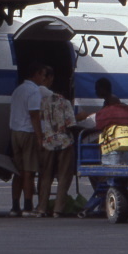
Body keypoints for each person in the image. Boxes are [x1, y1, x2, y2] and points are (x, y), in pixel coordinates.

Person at [8, 63, 51, 216]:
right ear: (36, 75)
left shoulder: (17, 90)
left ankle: (15, 206)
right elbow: (34, 116)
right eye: (43, 75)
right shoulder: (34, 92)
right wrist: (40, 138)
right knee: (29, 171)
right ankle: (27, 206)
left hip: (15, 132)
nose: (44, 78)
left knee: (18, 171)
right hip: (28, 133)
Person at [37, 78, 77, 217]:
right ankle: (58, 209)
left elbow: (40, 120)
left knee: (45, 176)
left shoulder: (44, 102)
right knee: (64, 177)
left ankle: (41, 208)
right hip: (64, 142)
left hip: (48, 141)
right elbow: (71, 124)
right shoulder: (65, 103)